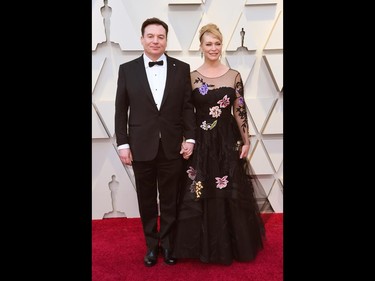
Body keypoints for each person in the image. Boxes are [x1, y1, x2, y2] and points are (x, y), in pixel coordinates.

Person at [174, 23, 265, 265]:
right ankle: (199, 246)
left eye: (217, 43)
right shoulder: (191, 77)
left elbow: (240, 110)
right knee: (200, 188)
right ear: (201, 47)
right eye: (208, 43)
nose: (213, 48)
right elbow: (186, 112)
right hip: (201, 143)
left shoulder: (233, 75)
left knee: (229, 188)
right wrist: (186, 139)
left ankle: (232, 245)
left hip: (227, 141)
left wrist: (246, 140)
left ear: (221, 45)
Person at [114, 17, 196, 267]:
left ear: (166, 40)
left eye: (160, 37)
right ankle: (152, 246)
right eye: (150, 36)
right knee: (147, 199)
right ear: (142, 39)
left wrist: (190, 138)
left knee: (171, 198)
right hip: (140, 146)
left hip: (173, 146)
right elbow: (121, 110)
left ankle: (169, 245)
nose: (155, 41)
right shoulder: (127, 69)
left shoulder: (181, 68)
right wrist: (123, 144)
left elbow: (187, 107)